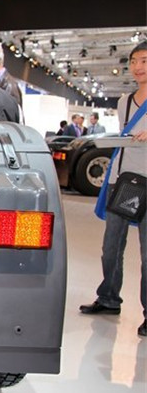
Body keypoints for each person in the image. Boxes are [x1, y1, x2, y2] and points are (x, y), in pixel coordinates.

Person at [79, 41, 147, 337]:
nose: (138, 67)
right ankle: (108, 297)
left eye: (144, 61)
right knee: (111, 246)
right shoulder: (124, 101)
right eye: (134, 61)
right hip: (122, 181)